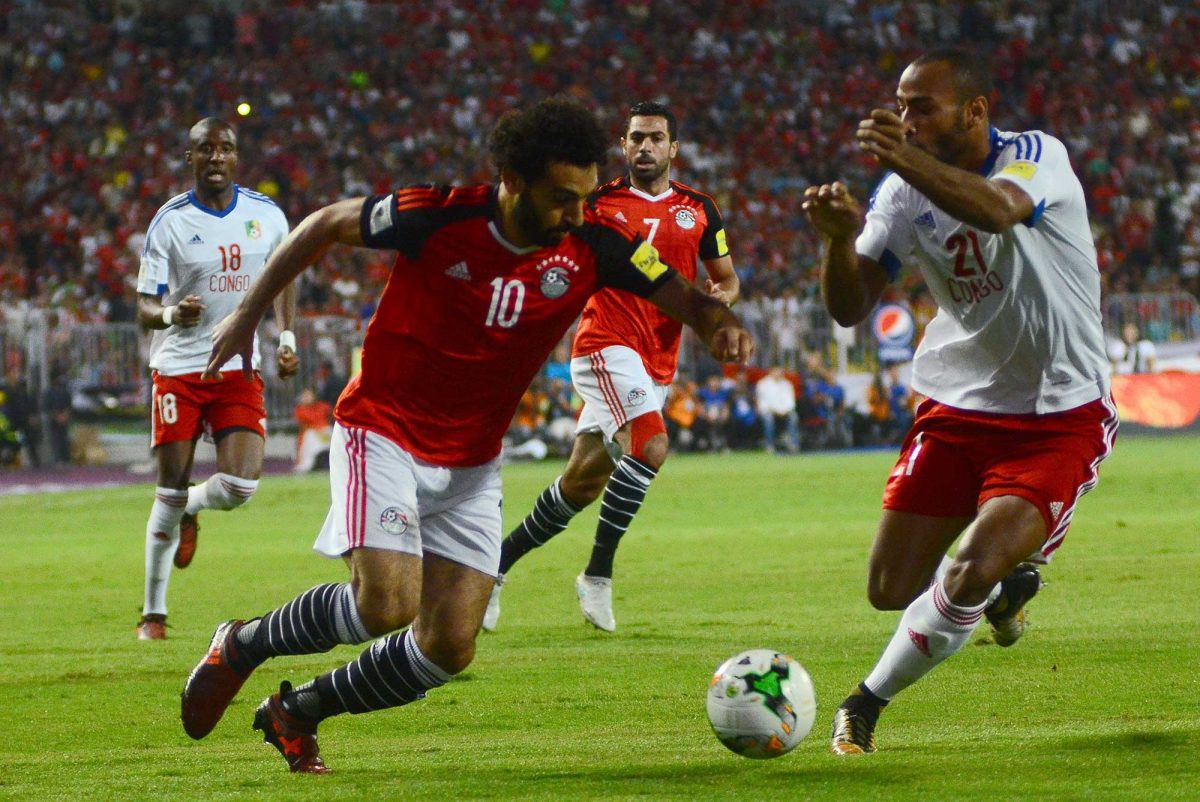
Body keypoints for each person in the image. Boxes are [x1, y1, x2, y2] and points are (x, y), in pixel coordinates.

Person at [179, 97, 752, 773]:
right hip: (383, 428)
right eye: (561, 199)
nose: (576, 214)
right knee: (385, 604)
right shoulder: (438, 213)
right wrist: (248, 316)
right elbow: (326, 223)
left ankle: (296, 712)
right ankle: (242, 645)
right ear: (512, 180)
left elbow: (689, 299)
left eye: (586, 197)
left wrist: (718, 325)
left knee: (450, 645)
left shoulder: (596, 242)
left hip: (474, 459)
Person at [802, 48, 1117, 755]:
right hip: (960, 405)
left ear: (974, 112)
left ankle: (864, 703)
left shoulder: (1037, 155)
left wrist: (904, 161)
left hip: (1058, 414)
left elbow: (1000, 210)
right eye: (900, 104)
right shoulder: (901, 193)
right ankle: (1007, 592)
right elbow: (852, 306)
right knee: (890, 587)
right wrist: (834, 243)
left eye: (921, 107)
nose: (905, 119)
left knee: (969, 567)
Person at [483, 101, 738, 633]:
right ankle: (598, 574)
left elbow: (727, 278)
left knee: (580, 483)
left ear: (674, 148)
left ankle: (493, 568)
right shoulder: (596, 203)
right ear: (623, 146)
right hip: (605, 343)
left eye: (656, 138)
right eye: (636, 138)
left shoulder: (700, 209)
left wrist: (723, 296)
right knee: (651, 446)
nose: (646, 147)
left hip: (658, 360)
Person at [134, 118, 297, 641]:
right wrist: (168, 316)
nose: (216, 157)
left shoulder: (266, 216)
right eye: (205, 148)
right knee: (168, 486)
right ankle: (152, 614)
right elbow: (143, 306)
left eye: (225, 148)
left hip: (236, 366)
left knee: (242, 485)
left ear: (236, 156)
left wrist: (286, 336)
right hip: (179, 369)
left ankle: (191, 511)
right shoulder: (170, 222)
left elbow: (284, 276)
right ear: (191, 157)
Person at [755, 366, 800, 453]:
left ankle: (793, 444)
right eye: (776, 371)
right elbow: (763, 403)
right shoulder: (763, 384)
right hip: (769, 411)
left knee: (794, 417)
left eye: (780, 371)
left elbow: (790, 401)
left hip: (784, 412)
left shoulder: (787, 384)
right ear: (771, 371)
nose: (778, 373)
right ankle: (769, 445)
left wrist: (785, 411)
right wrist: (774, 411)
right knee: (768, 419)